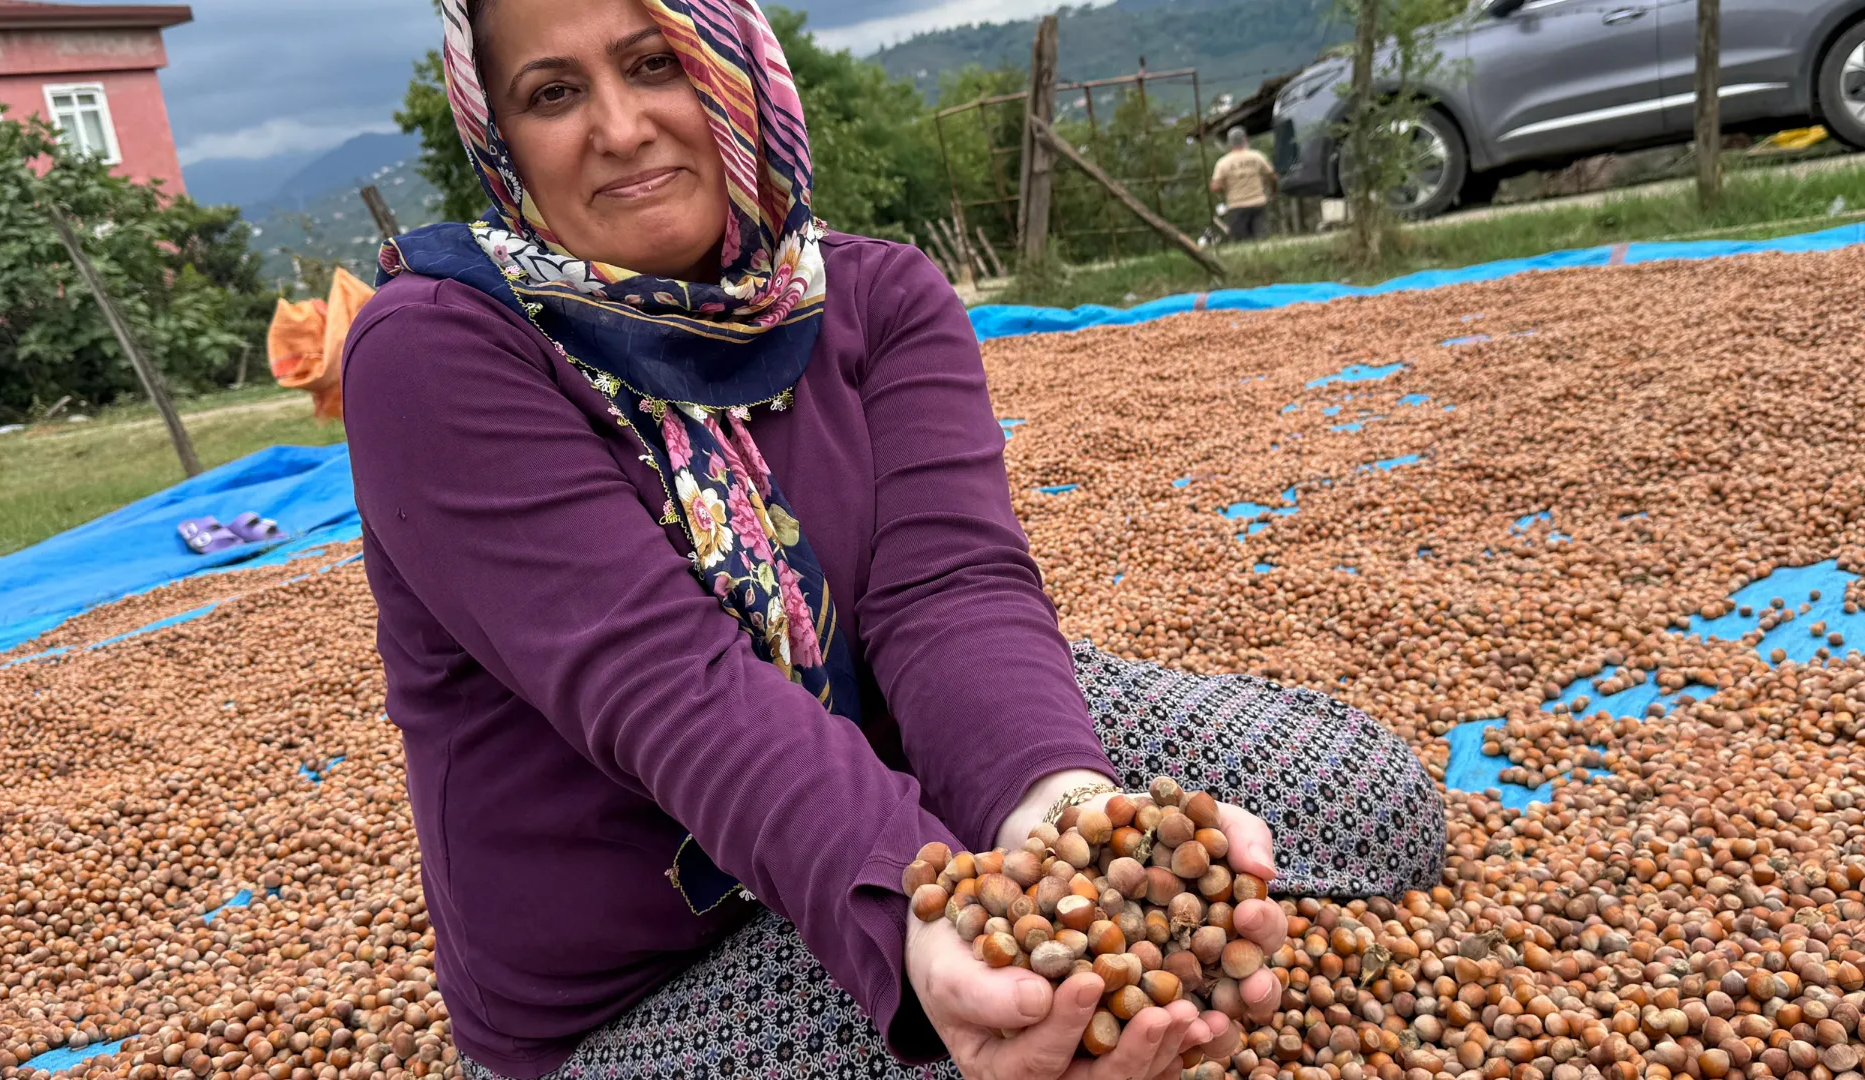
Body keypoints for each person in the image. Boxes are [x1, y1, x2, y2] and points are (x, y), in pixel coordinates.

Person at [339, 1, 1447, 1078]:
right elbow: (669, 684)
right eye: (553, 92)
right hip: (651, 968)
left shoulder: (874, 296)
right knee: (1016, 1025)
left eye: (655, 62)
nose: (620, 127)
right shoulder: (436, 353)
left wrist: (1055, 805)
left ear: (731, 63)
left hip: (893, 759)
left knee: (1365, 807)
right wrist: (930, 918)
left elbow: (949, 591)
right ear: (499, 135)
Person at [1210, 127, 1278, 242]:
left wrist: (1225, 189)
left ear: (1230, 143)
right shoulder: (1257, 156)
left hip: (1237, 205)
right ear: (1245, 140)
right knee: (1261, 239)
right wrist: (1272, 191)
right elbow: (1273, 177)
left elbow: (1215, 186)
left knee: (1241, 241)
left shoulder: (1223, 162)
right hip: (1258, 202)